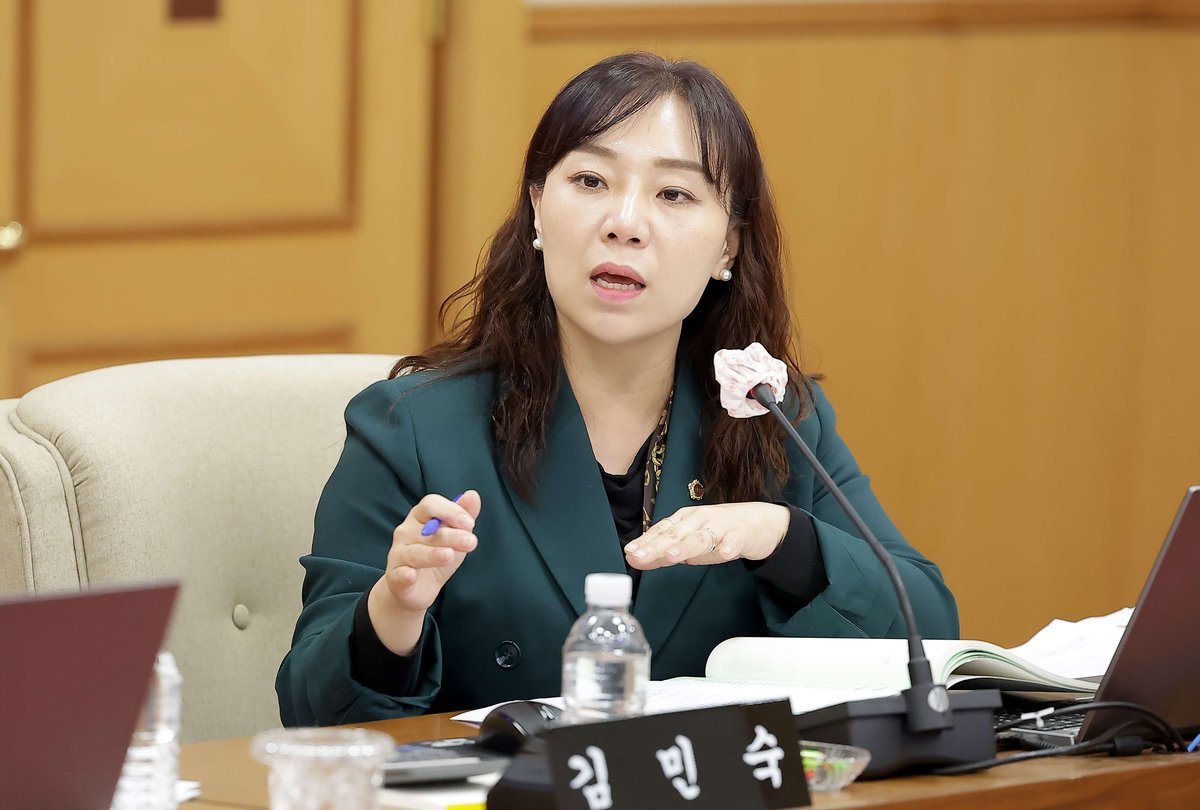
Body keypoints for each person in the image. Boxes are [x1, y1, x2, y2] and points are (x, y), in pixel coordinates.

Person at [276, 52, 958, 727]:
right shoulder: (414, 429)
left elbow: (929, 628)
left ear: (728, 247)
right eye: (591, 180)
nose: (625, 223)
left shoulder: (776, 419)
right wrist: (394, 609)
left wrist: (778, 536)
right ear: (538, 209)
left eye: (674, 195)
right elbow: (308, 708)